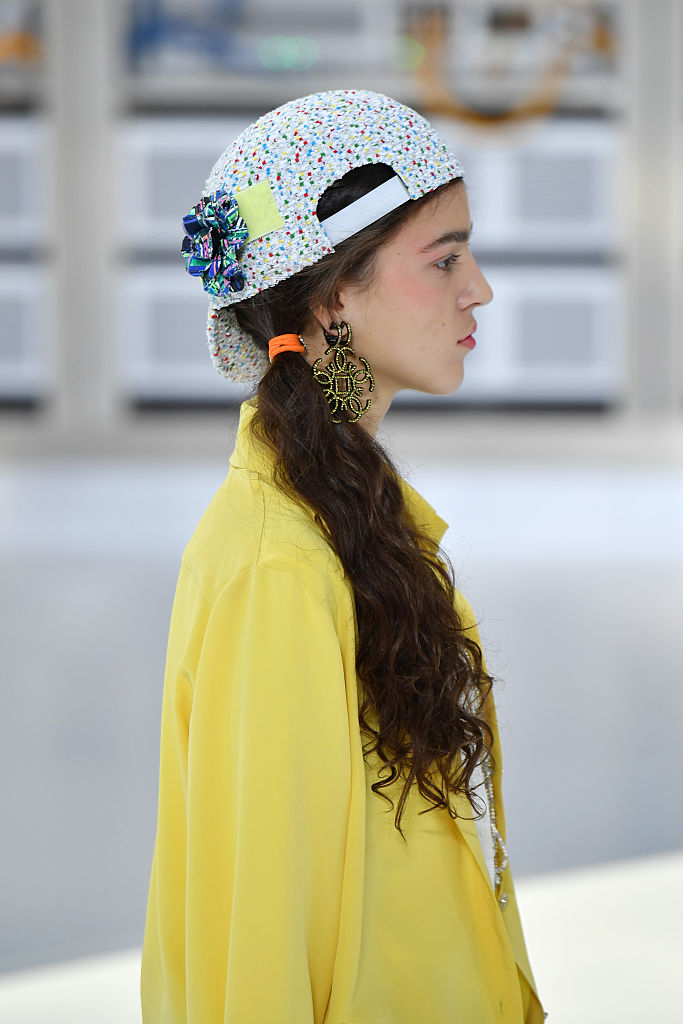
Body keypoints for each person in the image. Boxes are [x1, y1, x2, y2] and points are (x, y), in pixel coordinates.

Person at [140, 88, 547, 1023]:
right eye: (443, 257)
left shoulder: (356, 515)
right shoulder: (279, 571)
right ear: (330, 297)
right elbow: (260, 942)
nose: (477, 287)